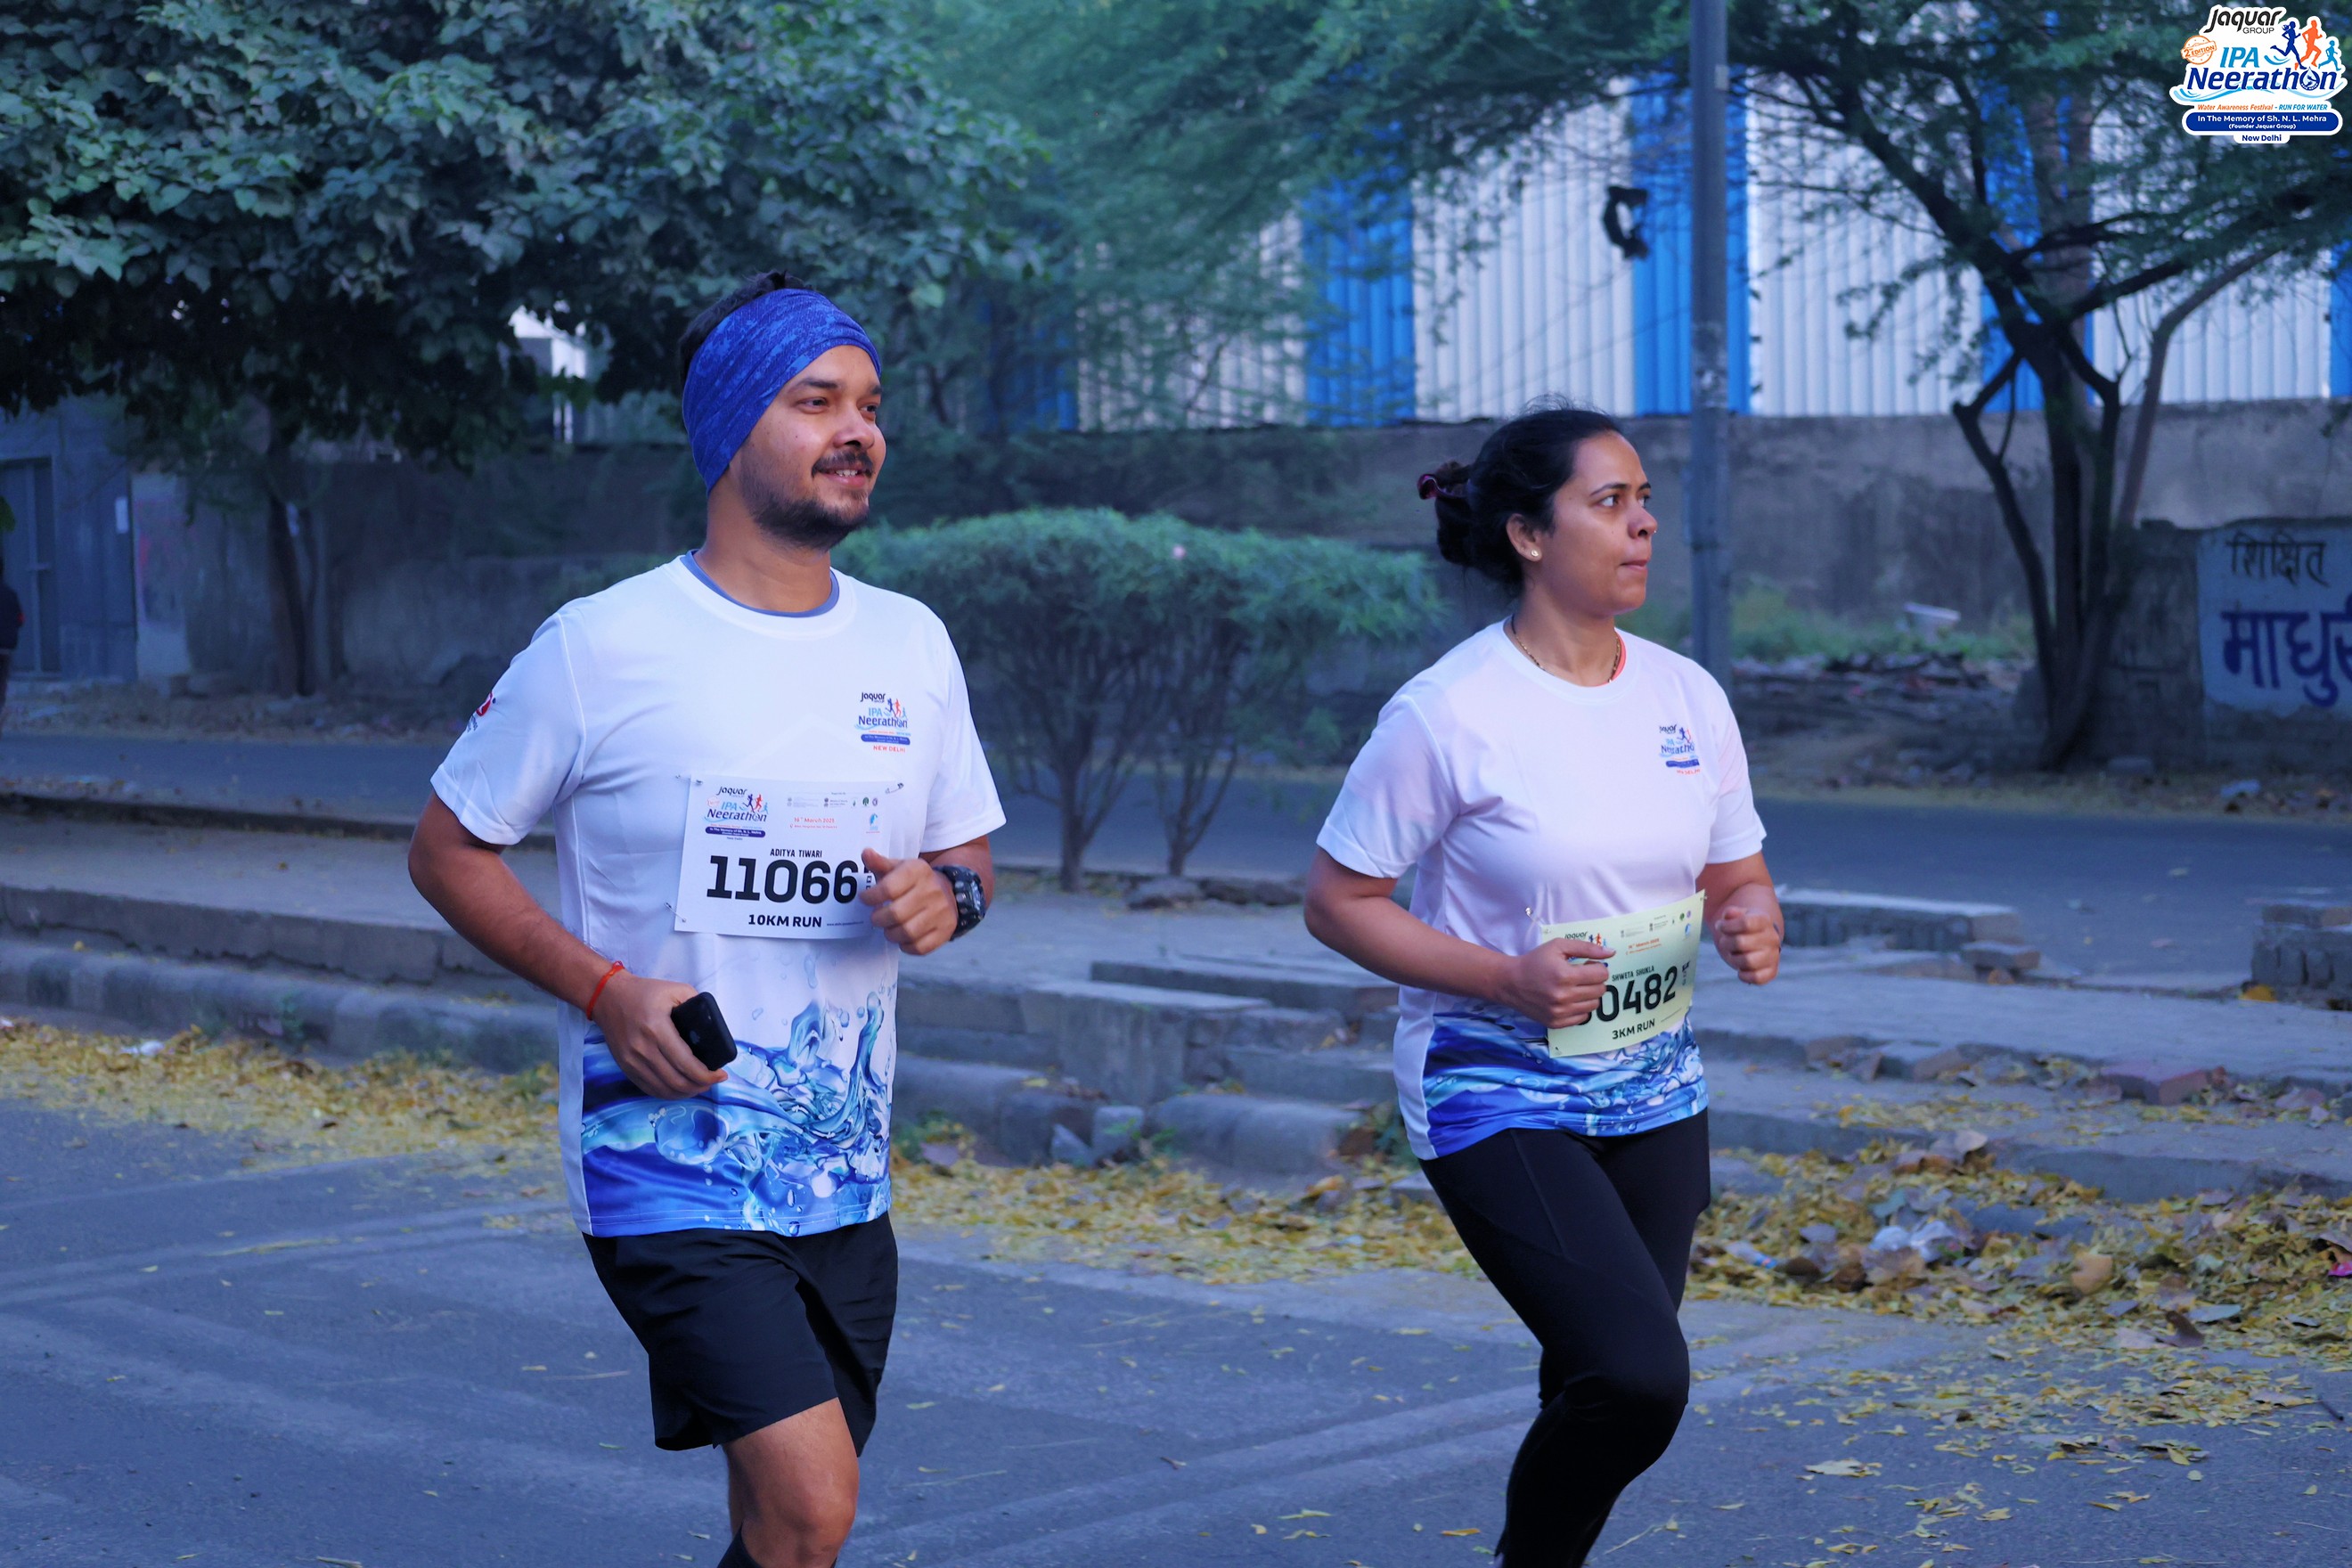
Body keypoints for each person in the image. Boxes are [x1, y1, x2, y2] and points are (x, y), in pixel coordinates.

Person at [408, 271, 1002, 1568]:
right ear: (732, 425)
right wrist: (603, 990)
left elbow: (967, 856)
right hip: (666, 1155)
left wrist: (943, 895)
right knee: (812, 1507)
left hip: (840, 1166)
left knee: (775, 1527)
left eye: (870, 406)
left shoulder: (911, 644)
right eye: (816, 402)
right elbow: (449, 849)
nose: (859, 431)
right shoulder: (600, 645)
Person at [1302, 402, 1783, 1568]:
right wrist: (1504, 980)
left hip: (1655, 1086)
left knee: (1592, 1379)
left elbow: (1735, 870)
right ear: (1528, 534)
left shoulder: (1686, 697)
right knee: (1638, 1376)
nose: (1644, 524)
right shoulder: (1448, 713)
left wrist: (1752, 916)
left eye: (1645, 500)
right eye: (1609, 502)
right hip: (1494, 1089)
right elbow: (1338, 901)